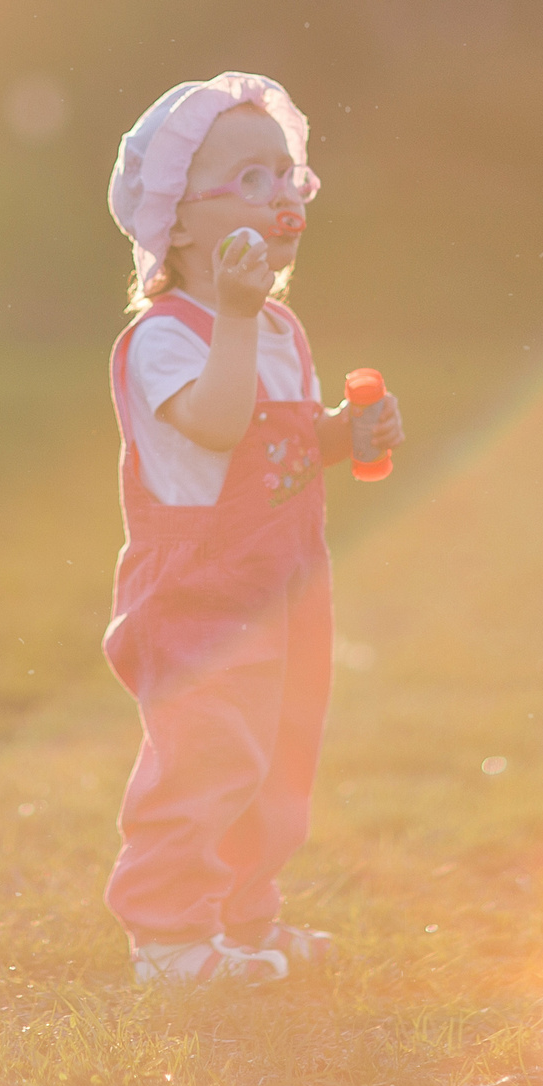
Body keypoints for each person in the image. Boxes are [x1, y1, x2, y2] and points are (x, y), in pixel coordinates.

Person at [101, 72, 404, 985]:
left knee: (275, 758)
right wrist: (233, 317)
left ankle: (243, 918)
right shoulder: (165, 336)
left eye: (286, 174)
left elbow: (279, 445)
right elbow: (220, 426)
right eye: (250, 178)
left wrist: (344, 436)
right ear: (179, 219)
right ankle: (167, 938)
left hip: (282, 579)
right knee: (206, 759)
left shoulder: (274, 327)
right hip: (198, 588)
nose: (280, 194)